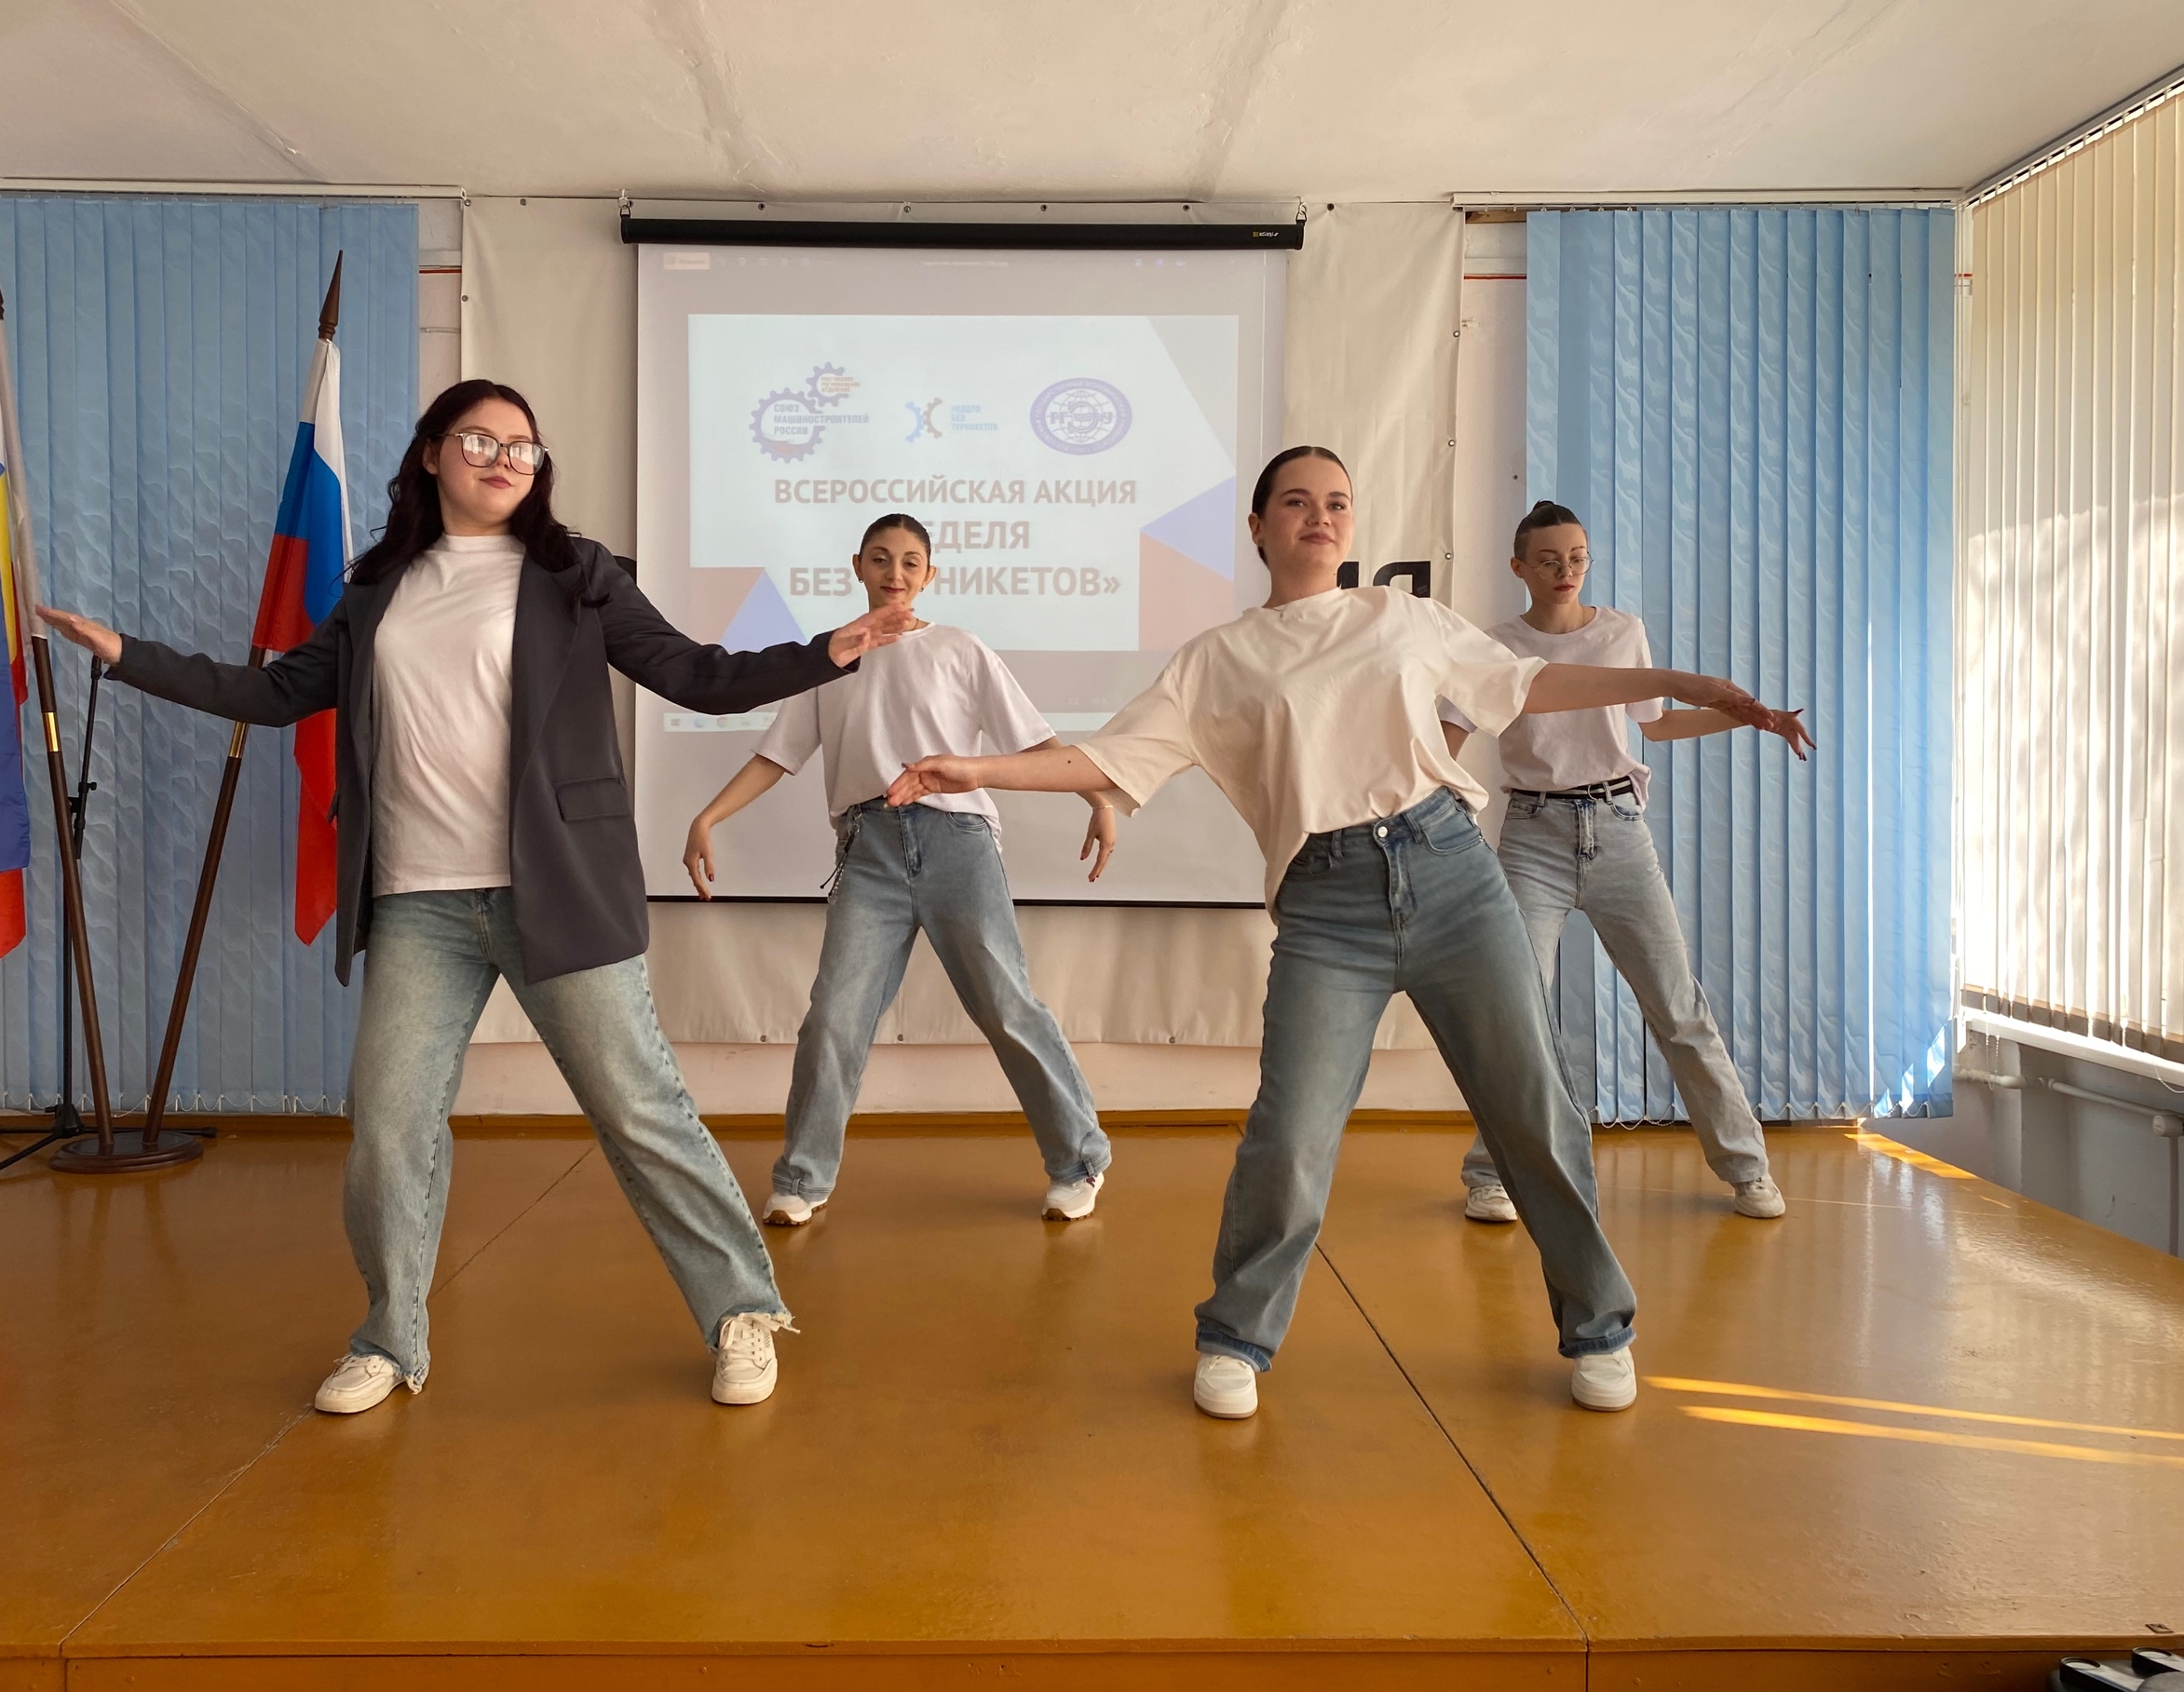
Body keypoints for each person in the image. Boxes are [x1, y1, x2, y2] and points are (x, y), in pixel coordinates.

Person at [37, 379, 910, 1415]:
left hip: (558, 886)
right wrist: (128, 656)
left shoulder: (575, 572)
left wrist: (822, 653)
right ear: (431, 454)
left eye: (522, 447)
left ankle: (741, 1311)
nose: (504, 460)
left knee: (640, 1111)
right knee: (388, 1128)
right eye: (481, 441)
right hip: (419, 899)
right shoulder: (379, 587)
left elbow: (695, 675)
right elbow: (274, 695)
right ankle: (388, 1336)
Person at [889, 447, 1813, 1420]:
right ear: (1258, 527)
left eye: (1336, 501)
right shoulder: (1216, 659)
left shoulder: (1399, 617)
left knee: (1532, 1107)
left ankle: (1599, 1325)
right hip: (1326, 904)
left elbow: (1528, 685)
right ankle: (1236, 1335)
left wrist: (1688, 683)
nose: (1319, 515)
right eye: (1296, 501)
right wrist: (977, 771)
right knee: (1289, 1131)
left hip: (1451, 870)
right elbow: (1107, 759)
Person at [683, 513, 1116, 1225]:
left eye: (911, 562)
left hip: (958, 843)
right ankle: (802, 1177)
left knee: (1006, 1004)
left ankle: (1080, 1159)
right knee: (834, 1016)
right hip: (869, 851)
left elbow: (1036, 741)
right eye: (881, 559)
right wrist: (708, 816)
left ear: (929, 575)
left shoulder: (959, 648)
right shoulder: (829, 660)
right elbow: (777, 755)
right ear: (857, 566)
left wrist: (1098, 798)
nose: (895, 573)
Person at [1440, 502, 1806, 1227]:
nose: (1566, 571)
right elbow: (1447, 736)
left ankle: (1748, 1168)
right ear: (1519, 567)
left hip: (1619, 831)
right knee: (1514, 1011)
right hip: (1533, 835)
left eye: (1577, 557)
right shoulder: (1495, 647)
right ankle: (1492, 1174)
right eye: (1549, 560)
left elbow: (1655, 725)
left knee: (1678, 1008)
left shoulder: (1621, 631)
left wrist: (1746, 715)